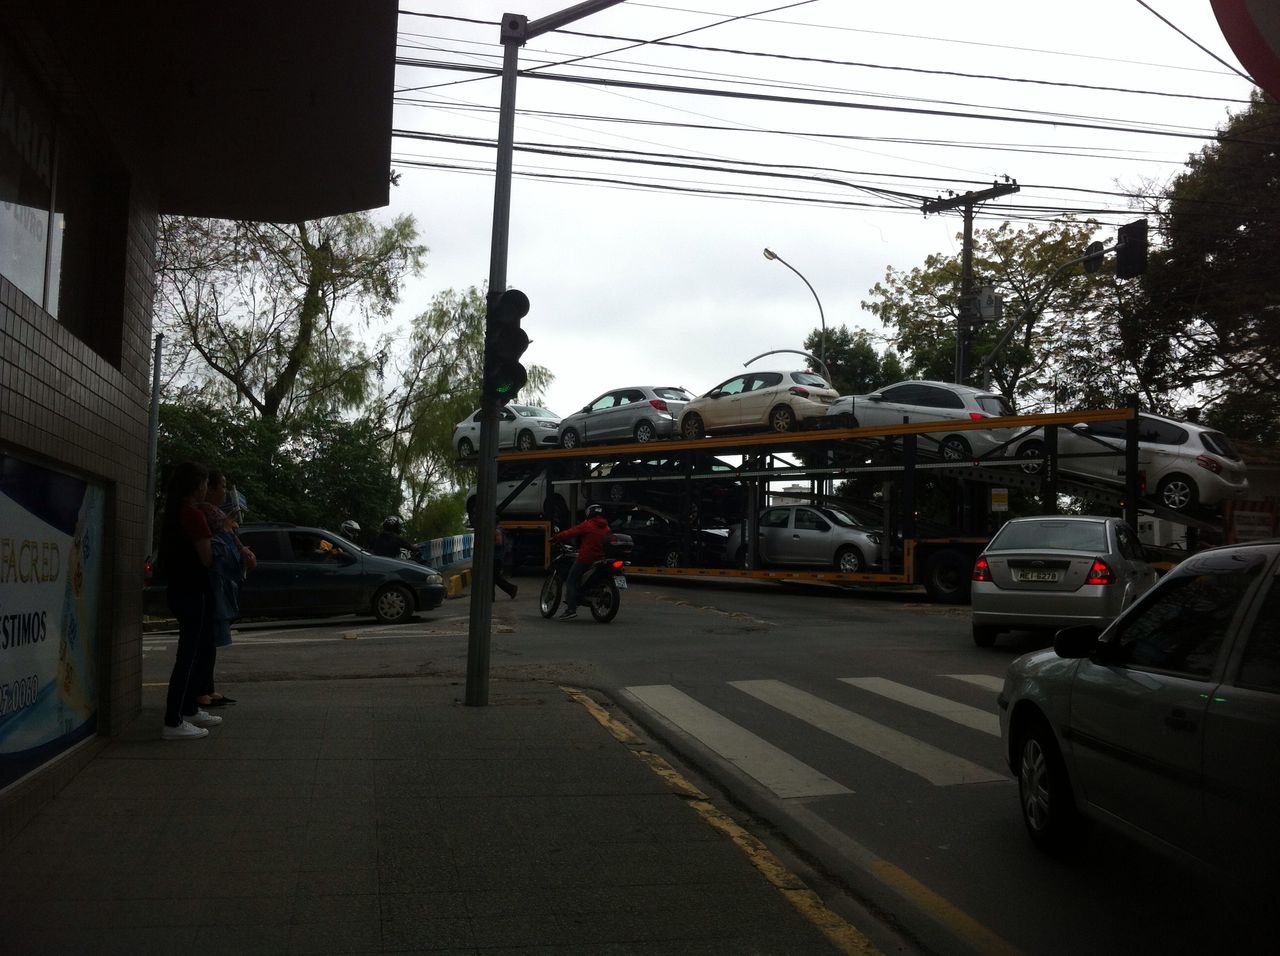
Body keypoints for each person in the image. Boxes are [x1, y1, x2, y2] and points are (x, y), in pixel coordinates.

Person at [156, 461, 223, 739]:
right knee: (189, 656)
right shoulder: (193, 515)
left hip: (179, 589)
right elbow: (206, 557)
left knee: (191, 653)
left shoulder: (173, 513)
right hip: (193, 591)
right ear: (197, 486)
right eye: (205, 483)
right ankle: (173, 720)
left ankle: (188, 710)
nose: (207, 487)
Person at [195, 469, 255, 709]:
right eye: (222, 486)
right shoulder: (206, 516)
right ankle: (199, 693)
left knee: (208, 643)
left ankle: (206, 689)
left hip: (215, 587)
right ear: (208, 488)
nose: (225, 492)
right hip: (207, 588)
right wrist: (239, 554)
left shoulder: (218, 517)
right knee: (203, 643)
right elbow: (216, 554)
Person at [550, 503, 611, 620]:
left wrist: (556, 537)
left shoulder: (587, 525)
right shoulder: (607, 527)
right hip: (600, 558)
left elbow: (570, 532)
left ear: (589, 512)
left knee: (571, 581)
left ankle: (571, 609)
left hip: (586, 558)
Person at [494, 521, 518, 600]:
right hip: (497, 557)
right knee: (494, 578)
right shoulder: (500, 531)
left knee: (495, 578)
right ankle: (511, 589)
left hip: (496, 558)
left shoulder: (497, 531)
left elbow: (498, 542)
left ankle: (511, 589)